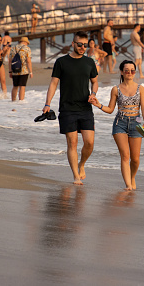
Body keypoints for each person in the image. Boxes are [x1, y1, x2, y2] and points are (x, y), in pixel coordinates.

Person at [43, 31, 98, 185]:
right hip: (67, 108)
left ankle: (81, 164)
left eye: (85, 45)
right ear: (73, 44)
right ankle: (75, 175)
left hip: (86, 108)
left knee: (89, 143)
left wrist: (93, 93)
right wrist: (48, 103)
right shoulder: (61, 62)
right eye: (79, 44)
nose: (82, 47)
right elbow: (53, 83)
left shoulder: (89, 62)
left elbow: (95, 81)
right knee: (72, 143)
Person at [89, 60, 144, 191]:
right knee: (125, 155)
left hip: (136, 123)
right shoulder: (115, 89)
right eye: (126, 70)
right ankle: (128, 185)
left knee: (135, 159)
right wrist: (98, 105)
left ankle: (132, 177)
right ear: (122, 72)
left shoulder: (141, 88)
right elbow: (111, 109)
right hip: (119, 123)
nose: (130, 73)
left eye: (132, 70)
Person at [9, 37, 33, 102]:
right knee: (22, 86)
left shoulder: (13, 48)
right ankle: (21, 101)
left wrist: (10, 71)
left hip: (14, 70)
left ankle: (13, 101)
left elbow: (10, 61)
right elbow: (28, 61)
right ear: (26, 42)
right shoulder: (27, 49)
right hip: (24, 70)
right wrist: (30, 72)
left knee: (15, 86)